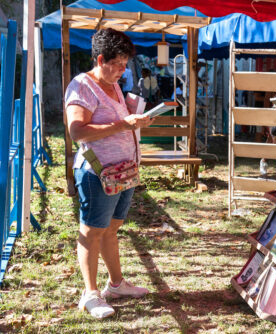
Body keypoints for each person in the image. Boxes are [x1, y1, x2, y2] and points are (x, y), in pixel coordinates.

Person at [65, 28, 154, 319]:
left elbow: (116, 118)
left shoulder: (113, 84)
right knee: (91, 232)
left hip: (122, 172)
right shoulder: (82, 86)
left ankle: (115, 284)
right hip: (98, 172)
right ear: (100, 59)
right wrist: (123, 125)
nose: (122, 70)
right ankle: (90, 294)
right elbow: (76, 130)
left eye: (125, 64)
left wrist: (133, 115)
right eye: (117, 64)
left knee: (111, 229)